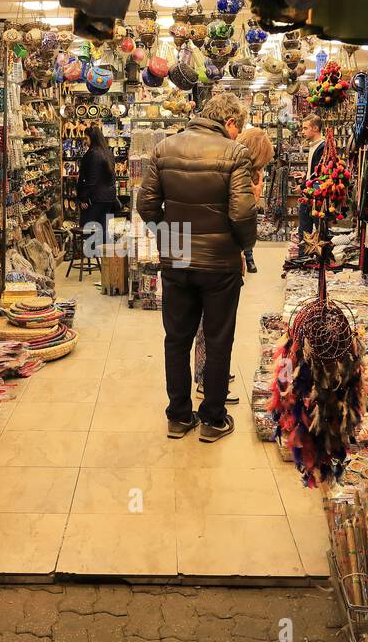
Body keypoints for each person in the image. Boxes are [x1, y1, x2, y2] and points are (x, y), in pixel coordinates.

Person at [138, 93, 256, 442]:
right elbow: (242, 213)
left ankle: (178, 416)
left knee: (176, 339)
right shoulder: (235, 153)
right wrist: (243, 246)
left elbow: (146, 204)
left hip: (176, 259)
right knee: (219, 341)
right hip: (220, 263)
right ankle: (213, 420)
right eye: (240, 126)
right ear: (230, 122)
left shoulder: (164, 148)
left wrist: (168, 235)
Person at [77, 121, 121, 255]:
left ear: (92, 138)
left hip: (96, 198)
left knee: (88, 225)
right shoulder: (107, 153)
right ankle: (102, 257)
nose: (85, 141)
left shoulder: (94, 154)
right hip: (108, 198)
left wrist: (84, 197)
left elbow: (92, 180)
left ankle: (92, 254)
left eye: (86, 138)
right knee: (102, 227)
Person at [236, 126, 275, 273]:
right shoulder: (241, 171)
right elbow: (241, 215)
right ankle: (249, 256)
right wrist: (255, 197)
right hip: (224, 252)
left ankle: (249, 256)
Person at [296, 114, 325, 240]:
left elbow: (318, 175)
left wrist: (302, 186)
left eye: (305, 128)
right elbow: (314, 171)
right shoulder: (314, 145)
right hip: (309, 194)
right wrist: (305, 175)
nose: (303, 131)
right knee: (304, 230)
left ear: (315, 128)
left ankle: (307, 257)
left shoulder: (322, 147)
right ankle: (304, 257)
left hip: (314, 197)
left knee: (312, 231)